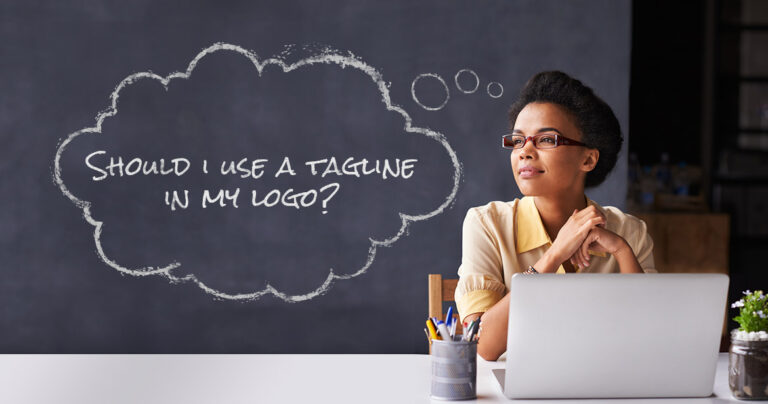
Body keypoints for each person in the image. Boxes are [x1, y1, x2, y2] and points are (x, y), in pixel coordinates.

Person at [455, 71, 657, 361]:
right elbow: (483, 345)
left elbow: (651, 336)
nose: (524, 151)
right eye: (517, 140)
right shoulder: (487, 223)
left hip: (608, 387)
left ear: (588, 159)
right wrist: (554, 256)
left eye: (546, 139)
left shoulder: (629, 231)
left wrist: (622, 251)